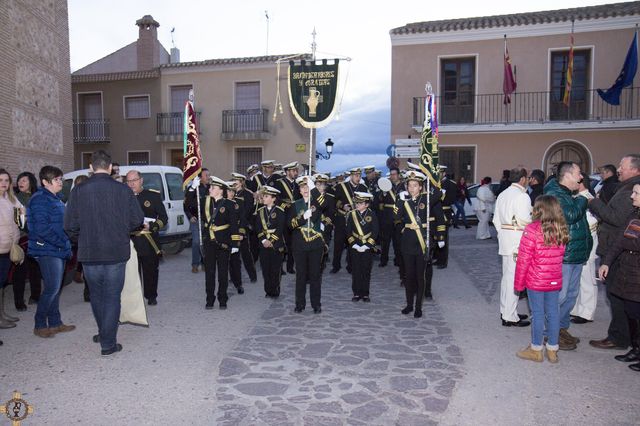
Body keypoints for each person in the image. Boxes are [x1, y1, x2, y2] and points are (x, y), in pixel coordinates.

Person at [64, 150, 144, 356]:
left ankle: (104, 333)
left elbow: (69, 225)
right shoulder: (123, 190)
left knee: (98, 296)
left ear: (91, 167)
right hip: (116, 252)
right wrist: (121, 230)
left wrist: (81, 239)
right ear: (110, 168)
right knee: (111, 297)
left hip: (90, 253)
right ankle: (108, 342)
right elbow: (137, 221)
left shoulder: (78, 191)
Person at [589, 154, 640, 350]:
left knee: (618, 295)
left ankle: (620, 338)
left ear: (635, 170)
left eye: (622, 166)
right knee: (621, 296)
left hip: (621, 254)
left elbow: (616, 219)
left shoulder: (632, 189)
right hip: (617, 249)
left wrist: (594, 202)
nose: (618, 169)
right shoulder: (627, 187)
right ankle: (627, 339)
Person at [544, 161, 593, 351]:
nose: (581, 178)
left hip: (575, 252)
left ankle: (561, 328)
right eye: (578, 173)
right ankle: (550, 332)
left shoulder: (566, 193)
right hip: (563, 254)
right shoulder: (555, 194)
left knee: (571, 295)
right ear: (567, 175)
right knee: (559, 296)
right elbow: (570, 215)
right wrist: (582, 197)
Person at [514, 195, 569, 363]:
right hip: (554, 279)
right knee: (553, 312)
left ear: (539, 209)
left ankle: (536, 349)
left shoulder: (532, 229)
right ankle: (553, 349)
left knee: (537, 314)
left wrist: (519, 283)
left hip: (536, 280)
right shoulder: (561, 229)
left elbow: (524, 260)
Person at [28, 166, 74, 338]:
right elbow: (42, 229)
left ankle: (55, 323)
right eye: (56, 180)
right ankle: (40, 325)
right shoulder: (40, 199)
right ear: (45, 182)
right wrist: (62, 242)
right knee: (52, 288)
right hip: (47, 249)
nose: (60, 182)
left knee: (55, 288)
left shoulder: (56, 198)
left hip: (57, 248)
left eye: (61, 179)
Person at [598, 183, 640, 371]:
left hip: (637, 272)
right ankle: (636, 349)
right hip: (627, 271)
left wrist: (628, 240)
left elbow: (631, 242)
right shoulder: (633, 215)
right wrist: (607, 262)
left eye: (637, 193)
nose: (632, 196)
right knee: (631, 311)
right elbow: (619, 242)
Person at [186, 176, 240, 310]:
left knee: (222, 273)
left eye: (213, 188)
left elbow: (234, 225)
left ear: (221, 190)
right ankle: (209, 299)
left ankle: (223, 299)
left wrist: (235, 244)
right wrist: (192, 188)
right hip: (209, 242)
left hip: (224, 243)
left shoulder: (229, 204)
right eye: (210, 187)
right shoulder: (204, 202)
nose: (210, 189)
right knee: (209, 273)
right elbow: (189, 204)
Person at [395, 171, 444, 318]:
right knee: (408, 276)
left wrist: (431, 174)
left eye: (415, 185)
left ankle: (418, 307)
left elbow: (439, 192)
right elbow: (396, 217)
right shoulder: (404, 201)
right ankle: (409, 304)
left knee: (420, 276)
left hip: (422, 242)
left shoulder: (426, 199)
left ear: (421, 187)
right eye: (409, 185)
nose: (411, 188)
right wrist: (399, 201)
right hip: (408, 242)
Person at [493, 167, 532, 327]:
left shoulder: (503, 194)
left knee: (507, 278)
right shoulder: (522, 196)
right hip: (517, 242)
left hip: (505, 240)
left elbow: (495, 219)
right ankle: (509, 316)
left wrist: (504, 234)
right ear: (523, 179)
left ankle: (507, 310)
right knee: (513, 279)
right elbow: (526, 221)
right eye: (527, 178)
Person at [125, 170, 168, 306]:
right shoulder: (122, 197)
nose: (132, 184)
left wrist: (153, 226)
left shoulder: (153, 196)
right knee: (132, 273)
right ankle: (135, 298)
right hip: (130, 241)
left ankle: (151, 295)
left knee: (150, 270)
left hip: (148, 240)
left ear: (141, 180)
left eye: (134, 180)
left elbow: (163, 218)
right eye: (129, 181)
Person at [289, 175, 325, 313]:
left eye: (307, 186)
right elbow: (290, 224)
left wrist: (314, 188)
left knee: (315, 275)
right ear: (299, 189)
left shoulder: (317, 203)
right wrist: (303, 218)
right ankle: (300, 304)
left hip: (315, 244)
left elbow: (324, 204)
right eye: (302, 187)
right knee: (301, 276)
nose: (305, 189)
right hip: (300, 245)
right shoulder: (295, 205)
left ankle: (316, 304)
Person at [571, 173, 599, 324]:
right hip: (578, 245)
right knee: (577, 279)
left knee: (587, 278)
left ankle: (587, 312)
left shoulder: (588, 199)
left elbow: (591, 224)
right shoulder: (577, 198)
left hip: (587, 245)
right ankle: (576, 309)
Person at [12, 171, 42, 310]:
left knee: (35, 269)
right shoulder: (16, 199)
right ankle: (19, 302)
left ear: (31, 182)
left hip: (37, 238)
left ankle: (35, 296)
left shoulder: (38, 196)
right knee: (20, 272)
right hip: (23, 239)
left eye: (24, 180)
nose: (20, 183)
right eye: (19, 180)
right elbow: (19, 222)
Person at [331, 167, 368, 274]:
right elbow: (335, 200)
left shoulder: (363, 188)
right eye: (356, 175)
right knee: (338, 243)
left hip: (355, 219)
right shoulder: (341, 186)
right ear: (351, 176)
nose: (358, 177)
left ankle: (351, 266)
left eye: (359, 176)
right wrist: (343, 206)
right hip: (342, 218)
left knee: (353, 243)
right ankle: (336, 266)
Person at [0, 169, 22, 333]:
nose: (4, 183)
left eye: (6, 180)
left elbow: (20, 219)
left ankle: (2, 314)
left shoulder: (11, 198)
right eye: (0, 180)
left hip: (9, 247)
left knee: (2, 283)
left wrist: (21, 216)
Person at [346, 192, 378, 302]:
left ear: (367, 204)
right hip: (355, 245)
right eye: (357, 203)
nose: (357, 205)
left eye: (360, 203)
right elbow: (348, 231)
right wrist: (353, 243)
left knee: (366, 270)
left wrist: (368, 245)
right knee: (356, 270)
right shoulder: (352, 214)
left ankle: (365, 293)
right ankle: (356, 293)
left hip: (367, 247)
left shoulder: (372, 214)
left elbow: (375, 231)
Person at [255, 186, 286, 298]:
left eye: (266, 196)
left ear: (273, 198)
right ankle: (268, 290)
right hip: (263, 244)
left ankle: (275, 289)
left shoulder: (280, 211)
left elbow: (280, 228)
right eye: (263, 196)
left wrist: (271, 240)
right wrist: (264, 240)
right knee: (265, 269)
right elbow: (258, 227)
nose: (263, 198)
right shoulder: (260, 211)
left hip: (276, 244)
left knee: (275, 269)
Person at [231, 173, 258, 282]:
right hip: (232, 227)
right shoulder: (230, 192)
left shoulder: (247, 194)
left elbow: (247, 212)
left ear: (241, 182)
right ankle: (234, 276)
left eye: (236, 180)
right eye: (233, 180)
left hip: (242, 226)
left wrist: (240, 225)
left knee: (245, 253)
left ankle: (252, 275)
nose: (234, 182)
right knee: (233, 253)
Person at [276, 162, 301, 274]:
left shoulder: (298, 184)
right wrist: (284, 205)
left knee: (292, 244)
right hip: (282, 216)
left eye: (296, 170)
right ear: (287, 172)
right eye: (293, 170)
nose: (295, 172)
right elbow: (275, 198)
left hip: (294, 217)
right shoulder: (279, 183)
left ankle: (290, 267)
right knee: (281, 243)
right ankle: (279, 268)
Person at [184, 168, 209, 273]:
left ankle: (204, 263)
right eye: (206, 175)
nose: (208, 177)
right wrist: (190, 216)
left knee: (206, 242)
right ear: (200, 177)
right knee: (196, 242)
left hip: (207, 220)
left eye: (209, 175)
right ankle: (195, 264)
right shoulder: (193, 189)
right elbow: (186, 205)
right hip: (196, 220)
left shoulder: (210, 188)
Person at [434, 167, 456, 269]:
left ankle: (443, 261)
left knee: (443, 237)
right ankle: (438, 258)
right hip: (436, 212)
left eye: (440, 172)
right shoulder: (435, 183)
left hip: (444, 212)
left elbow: (450, 199)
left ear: (444, 173)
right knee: (436, 237)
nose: (438, 174)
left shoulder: (449, 184)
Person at [225, 183, 245, 295]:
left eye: (233, 191)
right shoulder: (219, 202)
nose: (231, 193)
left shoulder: (239, 202)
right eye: (229, 191)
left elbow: (242, 219)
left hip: (235, 233)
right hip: (223, 234)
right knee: (224, 261)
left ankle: (238, 284)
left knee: (235, 261)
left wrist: (241, 232)